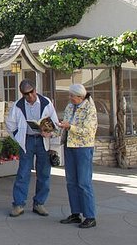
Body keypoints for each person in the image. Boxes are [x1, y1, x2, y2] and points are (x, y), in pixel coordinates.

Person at [5, 79, 60, 217]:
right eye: (26, 94)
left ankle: (39, 203)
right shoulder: (18, 106)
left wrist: (50, 132)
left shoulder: (46, 102)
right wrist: (19, 136)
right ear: (22, 94)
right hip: (27, 140)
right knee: (23, 173)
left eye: (31, 92)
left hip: (43, 140)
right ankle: (18, 204)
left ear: (35, 90)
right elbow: (10, 125)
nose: (29, 96)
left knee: (44, 173)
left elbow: (55, 122)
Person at [57, 84, 98, 228]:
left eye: (72, 96)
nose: (70, 98)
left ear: (80, 97)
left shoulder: (89, 109)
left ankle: (90, 216)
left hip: (83, 148)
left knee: (84, 182)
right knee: (71, 182)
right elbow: (66, 124)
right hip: (70, 147)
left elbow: (89, 131)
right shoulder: (69, 107)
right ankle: (75, 213)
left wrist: (70, 127)